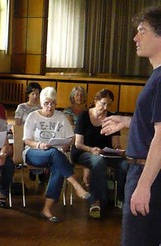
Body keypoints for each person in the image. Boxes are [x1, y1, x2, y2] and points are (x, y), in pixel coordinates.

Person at [101, 7, 161, 245]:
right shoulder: (156, 77)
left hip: (148, 174)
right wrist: (128, 122)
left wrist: (144, 186)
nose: (136, 38)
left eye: (142, 31)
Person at [23, 87, 91, 223]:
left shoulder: (60, 116)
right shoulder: (33, 116)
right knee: (55, 154)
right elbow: (27, 140)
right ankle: (76, 185)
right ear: (41, 103)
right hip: (33, 152)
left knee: (58, 165)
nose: (50, 106)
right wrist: (39, 145)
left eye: (53, 103)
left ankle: (47, 208)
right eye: (47, 103)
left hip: (55, 155)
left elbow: (71, 138)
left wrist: (65, 144)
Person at [71, 89, 127, 219]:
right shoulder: (84, 116)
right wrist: (91, 149)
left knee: (125, 164)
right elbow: (78, 143)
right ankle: (97, 201)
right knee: (98, 161)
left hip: (104, 153)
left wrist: (118, 150)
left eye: (108, 104)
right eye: (103, 103)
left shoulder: (112, 117)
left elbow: (115, 144)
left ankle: (121, 198)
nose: (105, 107)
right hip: (84, 151)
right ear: (95, 101)